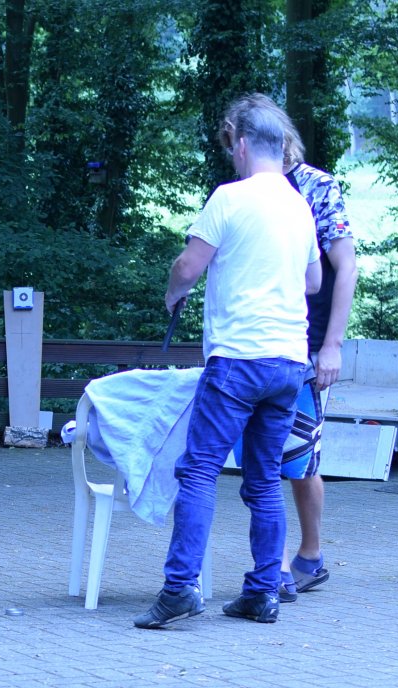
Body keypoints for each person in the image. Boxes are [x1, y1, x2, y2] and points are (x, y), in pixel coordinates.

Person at [134, 94, 321, 629]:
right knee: (263, 480)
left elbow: (188, 266)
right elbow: (313, 281)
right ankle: (262, 592)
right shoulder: (299, 206)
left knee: (198, 471)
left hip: (238, 357)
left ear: (241, 145)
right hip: (288, 362)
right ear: (280, 146)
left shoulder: (229, 198)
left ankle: (179, 589)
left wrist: (174, 293)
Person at [276, 116, 358, 603]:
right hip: (261, 342)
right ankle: (281, 561)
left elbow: (346, 266)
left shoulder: (316, 187)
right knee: (273, 454)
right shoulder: (243, 189)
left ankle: (308, 556)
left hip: (305, 344)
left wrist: (332, 345)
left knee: (300, 454)